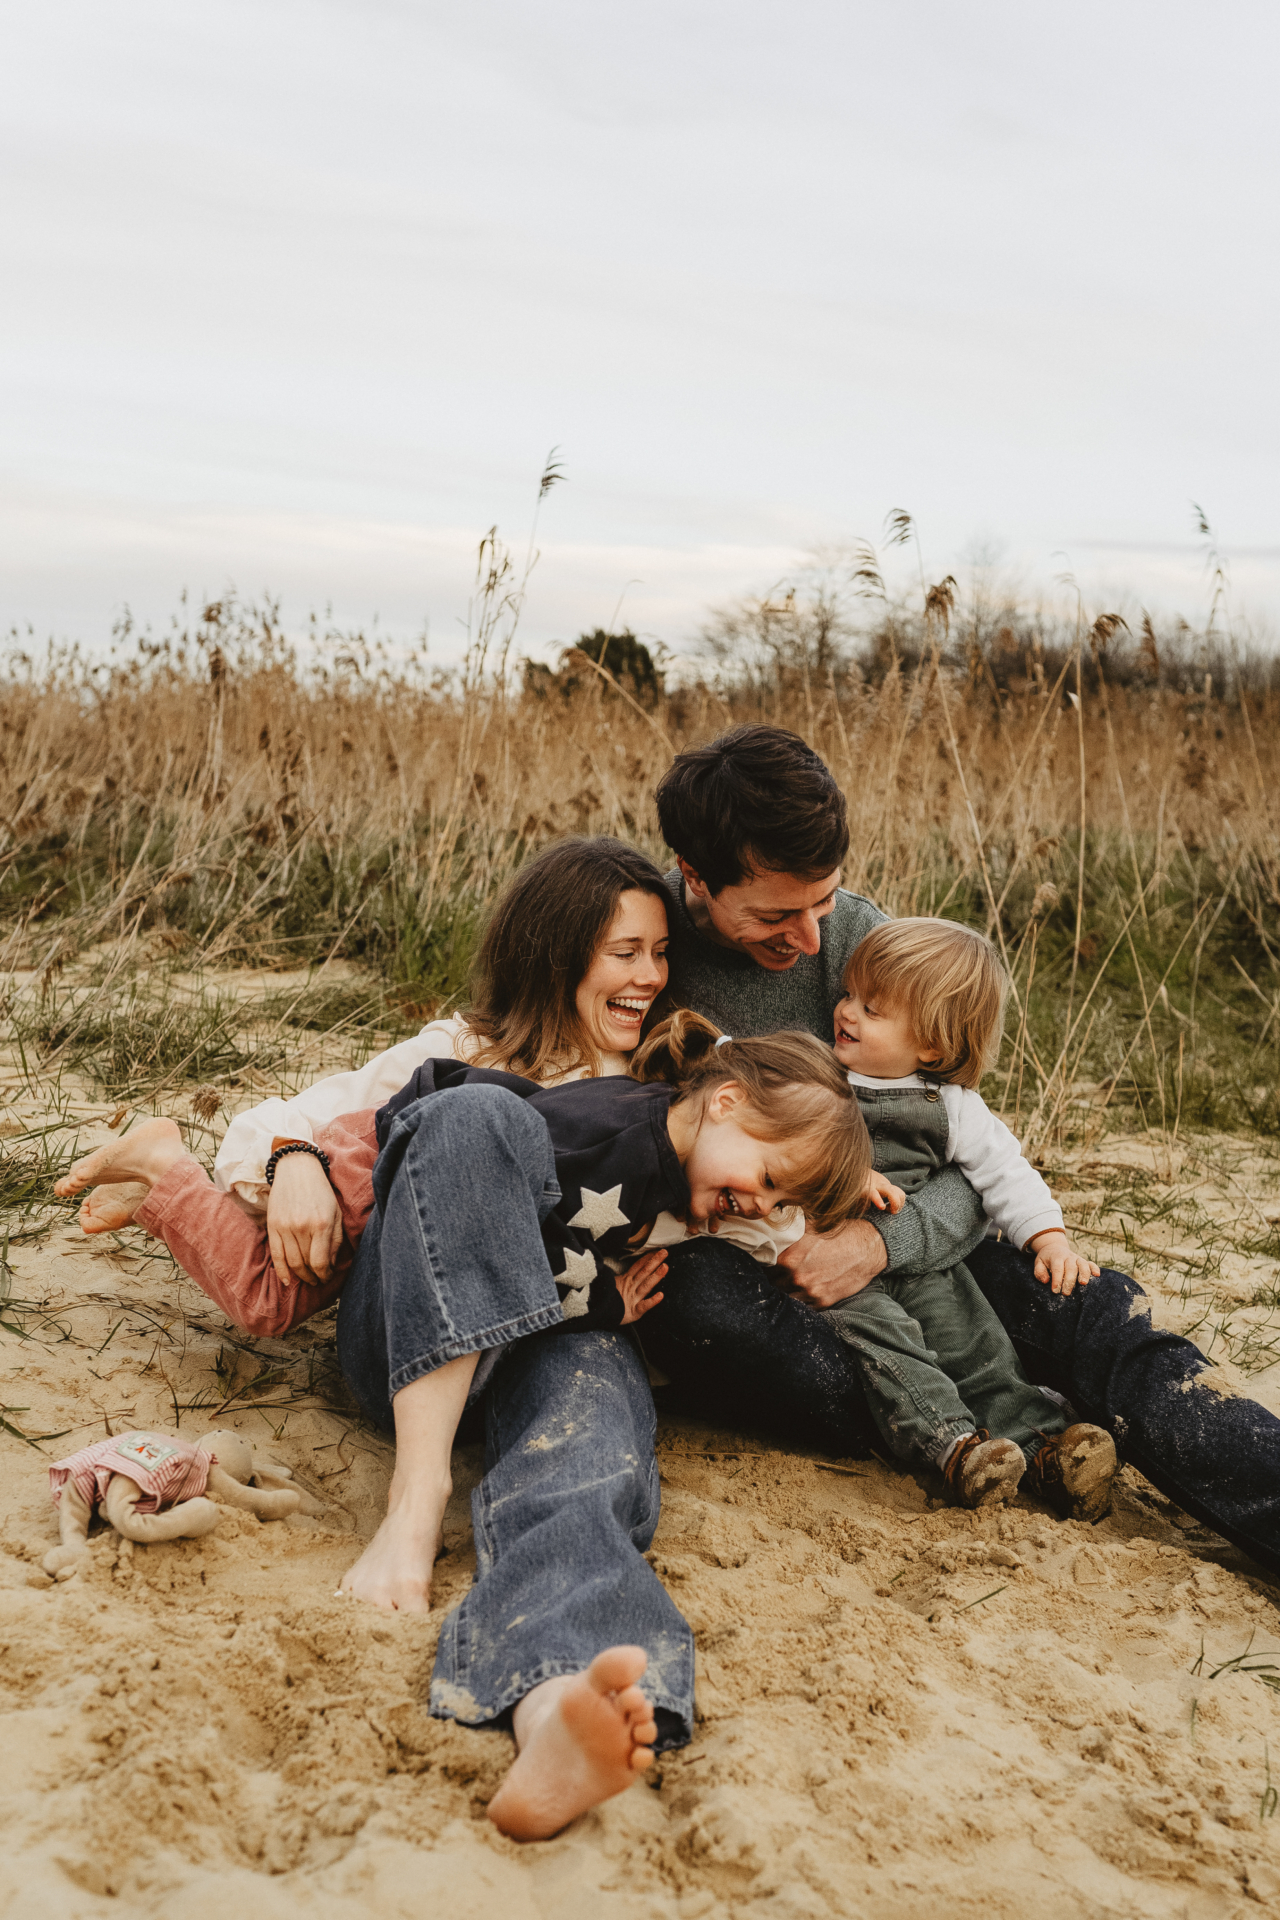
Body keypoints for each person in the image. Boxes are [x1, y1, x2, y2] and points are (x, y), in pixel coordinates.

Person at [641, 724, 1280, 1582]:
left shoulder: (858, 938)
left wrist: (878, 1245)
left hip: (913, 1244)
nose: (812, 940)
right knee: (706, 1310)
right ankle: (963, 1429)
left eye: (821, 902)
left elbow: (963, 1154)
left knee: (1090, 1308)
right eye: (775, 915)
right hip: (763, 1268)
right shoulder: (642, 949)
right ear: (695, 876)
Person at [831, 915, 1117, 1521]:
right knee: (890, 1349)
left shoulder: (953, 1106)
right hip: (837, 1271)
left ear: (932, 1047)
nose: (846, 1012)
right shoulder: (814, 1075)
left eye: (871, 1009)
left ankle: (1046, 1450)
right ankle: (956, 1449)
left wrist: (1049, 1238)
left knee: (977, 1345)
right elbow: (756, 1090)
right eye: (848, 995)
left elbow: (1004, 1171)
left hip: (925, 1266)